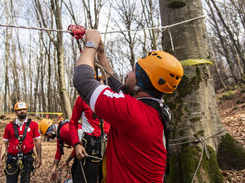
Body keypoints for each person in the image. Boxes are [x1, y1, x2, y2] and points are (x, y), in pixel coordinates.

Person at [72, 29, 184, 182]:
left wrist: (90, 43)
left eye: (133, 71)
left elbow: (82, 80)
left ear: (141, 82)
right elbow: (119, 90)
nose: (127, 74)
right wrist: (101, 55)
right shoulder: (155, 109)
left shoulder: (132, 113)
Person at [69, 72, 110, 183]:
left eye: (101, 80)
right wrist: (76, 144)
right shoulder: (82, 99)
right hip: (90, 148)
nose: (99, 82)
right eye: (96, 80)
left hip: (108, 148)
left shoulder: (110, 98)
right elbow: (73, 122)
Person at [0, 101, 42, 183]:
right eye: (19, 110)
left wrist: (39, 157)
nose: (22, 111)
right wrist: (0, 160)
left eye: (24, 109)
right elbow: (4, 143)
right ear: (15, 111)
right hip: (12, 159)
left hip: (27, 159)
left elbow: (38, 141)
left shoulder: (33, 125)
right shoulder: (9, 126)